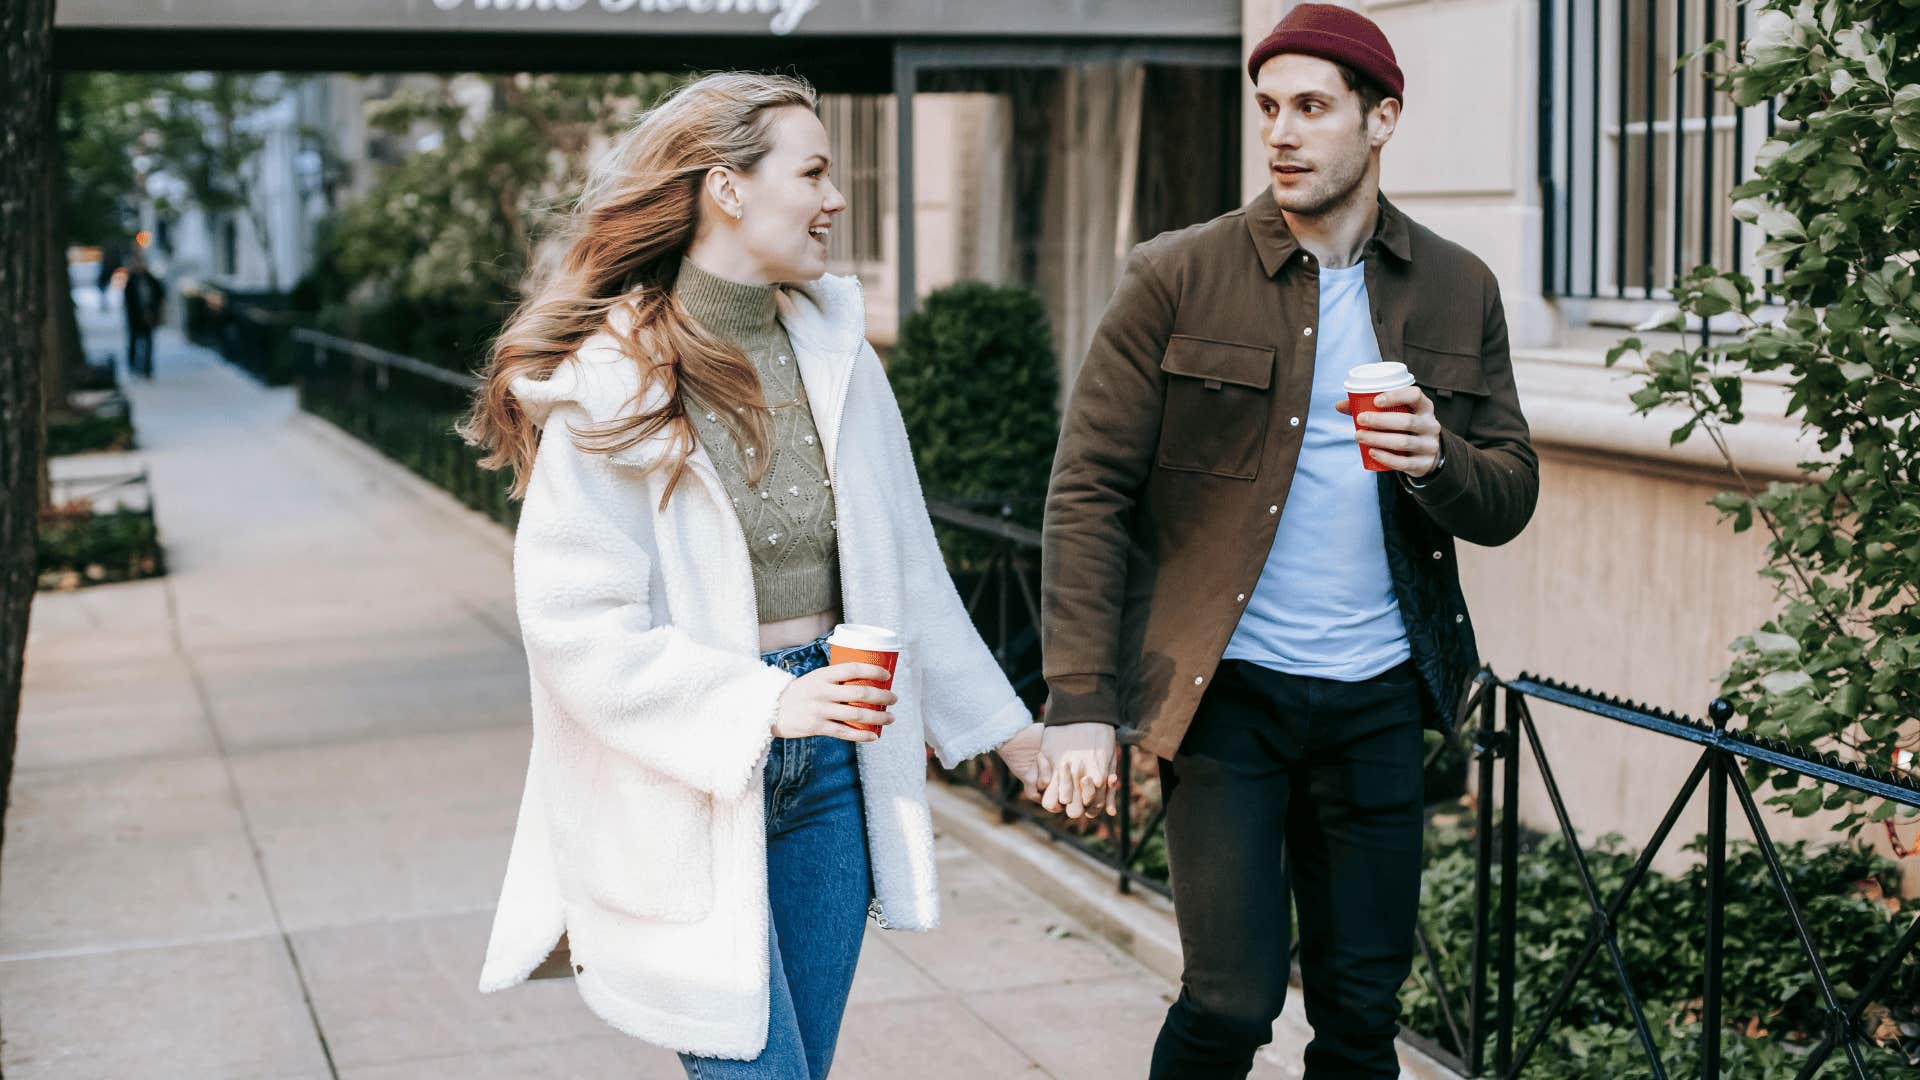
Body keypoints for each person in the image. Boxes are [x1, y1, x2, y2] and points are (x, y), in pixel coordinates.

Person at [464, 72, 1049, 1078]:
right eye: (813, 170)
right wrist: (766, 703)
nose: (836, 197)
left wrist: (1008, 732)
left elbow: (904, 568)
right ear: (728, 188)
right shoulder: (611, 381)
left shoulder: (836, 355)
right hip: (686, 779)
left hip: (831, 773)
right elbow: (577, 629)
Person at [1036, 6, 1540, 1077]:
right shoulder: (1175, 276)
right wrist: (1079, 700)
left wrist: (1432, 457)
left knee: (1362, 1016)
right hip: (1232, 696)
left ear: (1381, 118)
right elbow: (1088, 491)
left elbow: (1508, 496)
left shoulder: (1459, 288)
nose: (1281, 133)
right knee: (1230, 1003)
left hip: (1378, 699)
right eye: (1269, 107)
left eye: (1312, 107)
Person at [124, 252, 165, 379]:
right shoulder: (131, 281)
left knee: (148, 342)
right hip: (135, 318)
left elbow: (160, 294)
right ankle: (133, 366)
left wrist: (153, 311)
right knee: (134, 342)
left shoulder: (151, 279)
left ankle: (147, 368)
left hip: (149, 316)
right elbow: (128, 301)